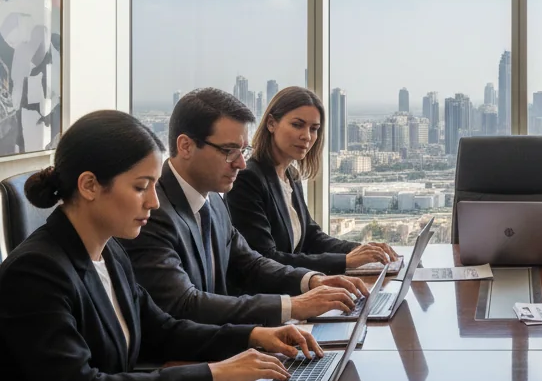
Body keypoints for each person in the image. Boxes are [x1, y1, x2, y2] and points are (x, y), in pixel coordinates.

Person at [0, 110, 323, 381]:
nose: (154, 202)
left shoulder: (110, 251)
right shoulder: (36, 272)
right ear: (89, 185)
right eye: (141, 187)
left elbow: (163, 330)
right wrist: (212, 375)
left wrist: (254, 336)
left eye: (155, 185)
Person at [125, 88, 367, 326]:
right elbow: (184, 304)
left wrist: (312, 281)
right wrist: (291, 306)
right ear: (186, 146)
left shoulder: (214, 201)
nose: (241, 163)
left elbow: (250, 263)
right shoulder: (151, 213)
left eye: (242, 151)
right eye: (229, 151)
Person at [225, 86, 396, 273]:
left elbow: (312, 238)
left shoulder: (291, 175)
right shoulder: (248, 179)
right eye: (297, 125)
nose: (306, 136)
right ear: (271, 123)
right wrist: (345, 261)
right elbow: (265, 258)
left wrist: (361, 250)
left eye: (314, 129)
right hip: (267, 289)